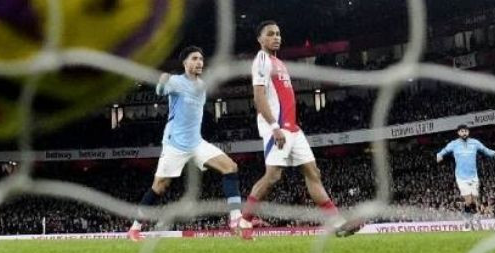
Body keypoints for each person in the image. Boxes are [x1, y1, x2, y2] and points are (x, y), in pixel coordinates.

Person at [240, 21, 361, 236]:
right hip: (277, 127)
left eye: (278, 34)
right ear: (260, 39)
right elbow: (258, 97)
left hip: (293, 128)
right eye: (270, 34)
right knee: (273, 176)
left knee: (313, 172)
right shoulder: (262, 60)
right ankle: (244, 221)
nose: (276, 37)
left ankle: (337, 224)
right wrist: (275, 127)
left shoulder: (279, 62)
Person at [127, 46, 247, 241]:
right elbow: (161, 91)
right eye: (194, 58)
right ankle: (135, 228)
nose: (199, 62)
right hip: (175, 144)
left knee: (230, 167)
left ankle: (235, 219)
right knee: (159, 187)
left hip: (196, 143)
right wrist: (162, 82)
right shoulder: (176, 81)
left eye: (201, 58)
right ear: (185, 63)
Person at [435, 125, 495, 225]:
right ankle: (468, 218)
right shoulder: (454, 144)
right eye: (462, 131)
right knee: (468, 200)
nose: (464, 133)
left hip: (473, 176)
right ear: (458, 133)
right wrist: (439, 155)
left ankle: (472, 217)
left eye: (466, 131)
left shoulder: (475, 142)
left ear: (468, 132)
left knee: (474, 200)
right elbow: (444, 151)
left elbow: (486, 150)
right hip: (461, 177)